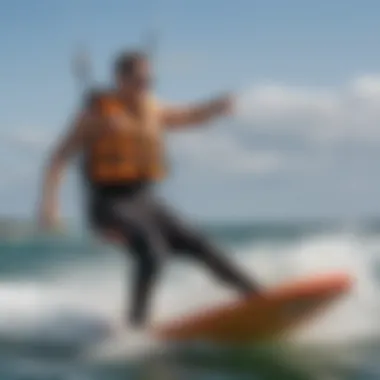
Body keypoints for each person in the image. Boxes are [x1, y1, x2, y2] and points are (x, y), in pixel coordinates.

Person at [38, 50, 261, 328]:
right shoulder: (95, 115)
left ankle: (258, 298)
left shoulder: (152, 108)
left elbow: (189, 116)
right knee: (152, 251)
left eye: (150, 80)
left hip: (145, 200)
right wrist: (49, 206)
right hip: (108, 205)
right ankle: (137, 325)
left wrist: (215, 108)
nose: (147, 85)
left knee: (201, 245)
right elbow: (58, 157)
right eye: (140, 79)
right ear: (120, 78)